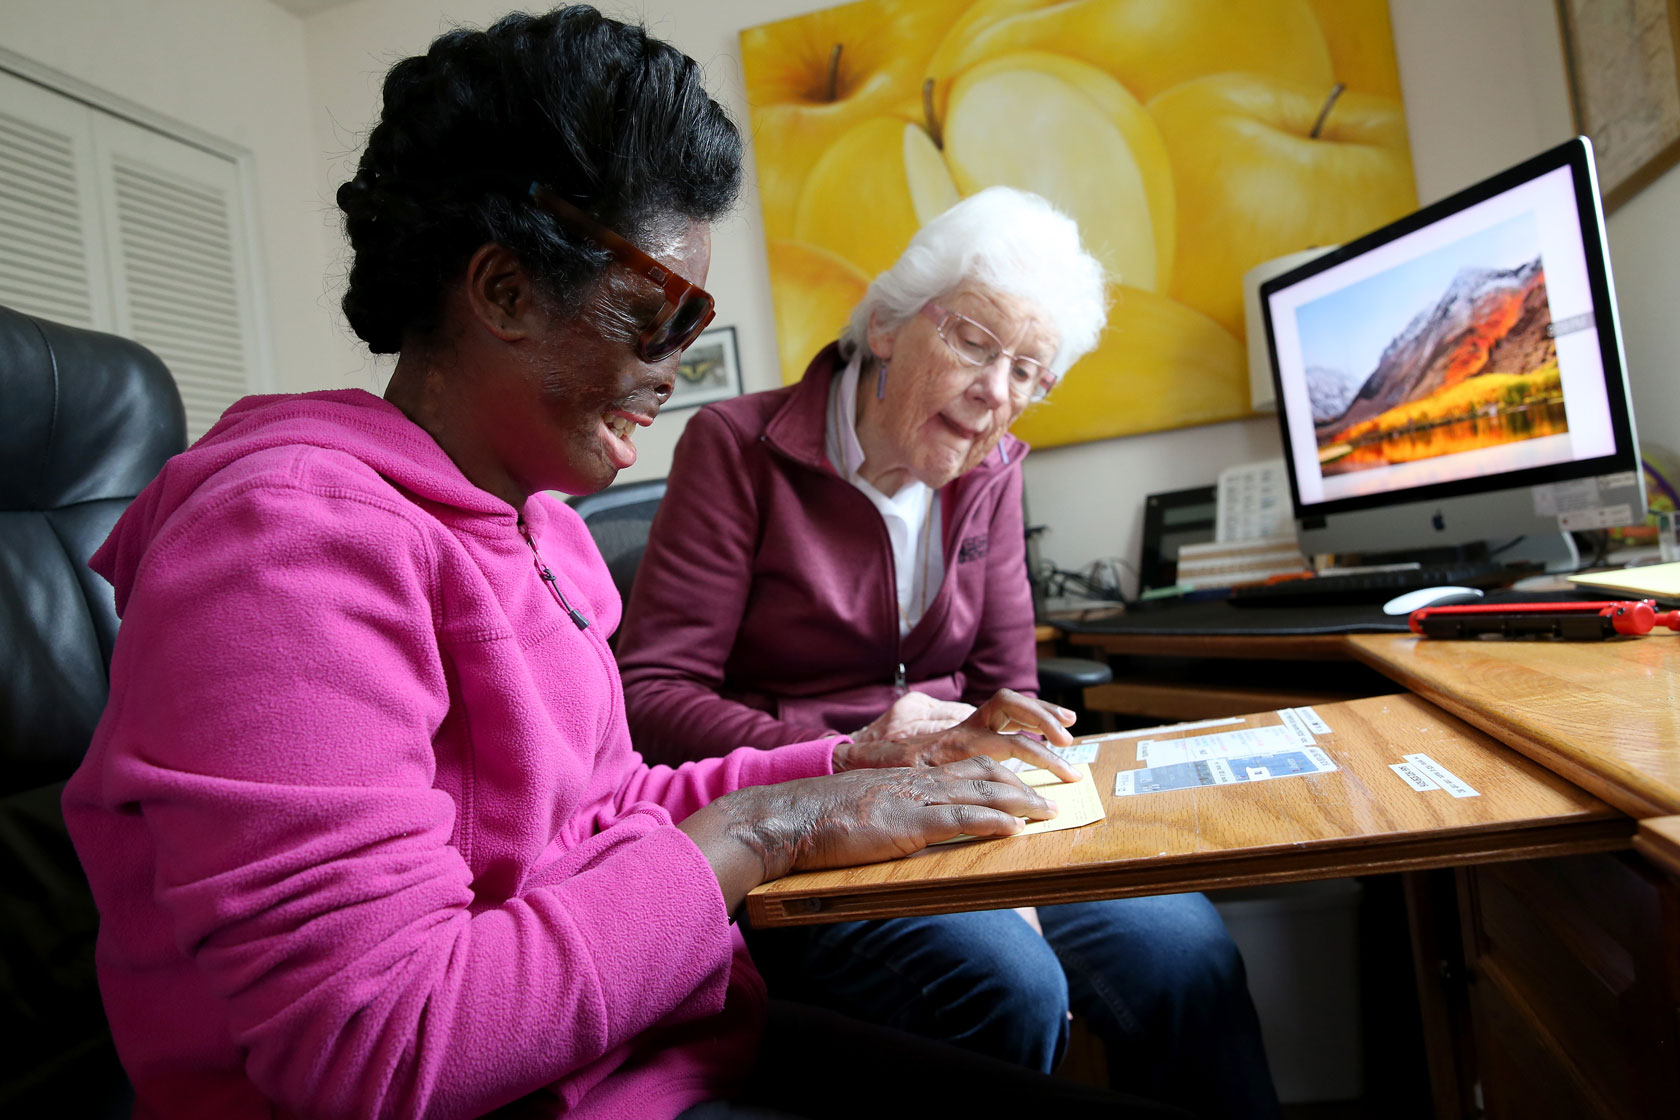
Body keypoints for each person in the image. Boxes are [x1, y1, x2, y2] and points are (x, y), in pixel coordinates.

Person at [60, 9, 1189, 1120]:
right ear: (503, 291)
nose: (675, 370)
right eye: (656, 314)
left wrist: (846, 768)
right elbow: (380, 1045)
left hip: (639, 1046)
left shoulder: (537, 523)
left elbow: (607, 808)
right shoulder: (281, 550)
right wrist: (771, 827)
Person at [617, 188, 1281, 1118]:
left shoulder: (994, 466)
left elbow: (1005, 678)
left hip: (968, 798)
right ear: (887, 325)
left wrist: (1015, 769)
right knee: (1007, 982)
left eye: (1030, 373)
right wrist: (853, 743)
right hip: (813, 813)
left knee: (1184, 946)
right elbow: (651, 693)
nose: (998, 394)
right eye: (975, 343)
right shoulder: (735, 448)